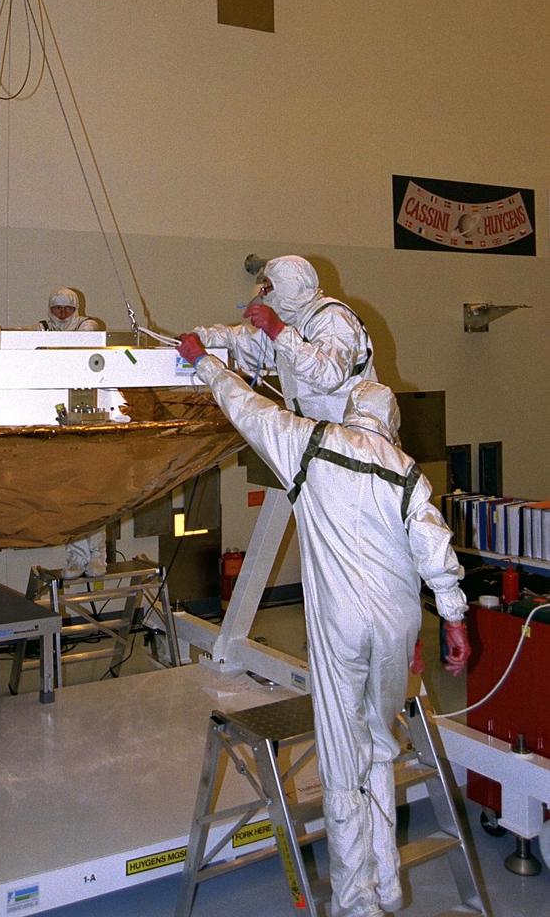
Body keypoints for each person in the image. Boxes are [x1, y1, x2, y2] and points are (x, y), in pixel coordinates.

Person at [177, 332, 470, 917]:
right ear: (389, 423)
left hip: (340, 628)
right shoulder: (405, 468)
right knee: (380, 741)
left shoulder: (309, 445)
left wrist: (203, 360)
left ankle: (358, 904)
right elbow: (434, 549)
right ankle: (387, 883)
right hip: (398, 623)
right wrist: (454, 619)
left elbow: (246, 407)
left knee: (341, 757)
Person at [195, 255, 376, 422]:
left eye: (268, 287)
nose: (263, 295)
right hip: (319, 438)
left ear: (289, 285)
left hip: (353, 439)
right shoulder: (292, 324)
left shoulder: (332, 317)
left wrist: (278, 330)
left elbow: (328, 376)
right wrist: (201, 338)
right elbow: (241, 341)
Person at [40, 287, 107, 579]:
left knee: (95, 495)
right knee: (70, 498)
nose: (62, 314)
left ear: (76, 309)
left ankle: (97, 558)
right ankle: (76, 559)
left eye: (67, 309)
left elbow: (83, 343)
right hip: (62, 422)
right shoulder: (42, 329)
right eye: (57, 309)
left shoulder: (87, 326)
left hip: (90, 422)